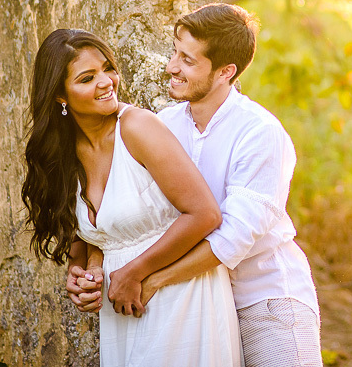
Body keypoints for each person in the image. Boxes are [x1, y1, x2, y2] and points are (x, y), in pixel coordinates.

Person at [68, 4, 323, 367]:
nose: (171, 66)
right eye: (175, 52)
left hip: (264, 299)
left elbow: (230, 237)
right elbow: (130, 214)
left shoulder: (260, 134)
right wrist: (96, 264)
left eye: (187, 60)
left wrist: (151, 278)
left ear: (225, 72)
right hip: (197, 300)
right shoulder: (163, 125)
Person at [22, 28, 242, 367]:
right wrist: (80, 273)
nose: (106, 81)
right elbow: (90, 238)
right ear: (60, 96)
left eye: (107, 68)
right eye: (87, 78)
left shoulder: (137, 127)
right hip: (123, 308)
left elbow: (204, 214)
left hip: (180, 298)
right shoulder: (62, 154)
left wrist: (134, 272)